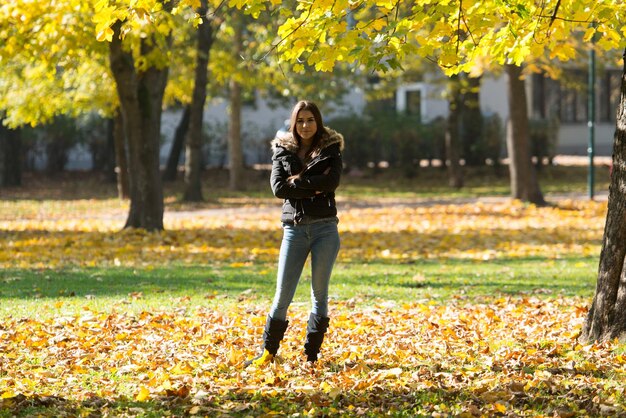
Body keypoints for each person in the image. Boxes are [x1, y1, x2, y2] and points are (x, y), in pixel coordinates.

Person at [246, 100, 344, 366]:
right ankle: (267, 353)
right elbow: (278, 188)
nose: (305, 125)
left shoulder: (331, 149)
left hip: (325, 228)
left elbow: (331, 182)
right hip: (294, 229)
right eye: (300, 120)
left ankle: (311, 356)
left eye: (310, 120)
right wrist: (313, 187)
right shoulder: (282, 150)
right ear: (294, 123)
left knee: (319, 294)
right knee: (282, 295)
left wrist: (298, 182)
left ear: (318, 122)